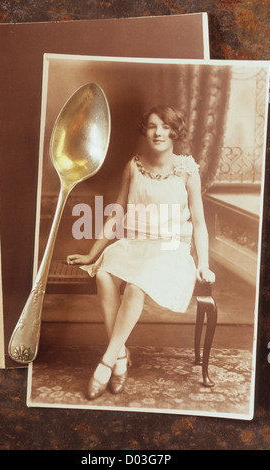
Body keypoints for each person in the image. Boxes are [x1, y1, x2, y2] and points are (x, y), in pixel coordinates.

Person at [67, 104, 215, 400]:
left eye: (165, 126)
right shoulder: (133, 166)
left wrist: (204, 264)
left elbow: (199, 223)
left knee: (136, 286)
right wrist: (93, 254)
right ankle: (120, 354)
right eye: (152, 126)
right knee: (104, 274)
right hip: (135, 244)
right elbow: (117, 213)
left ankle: (107, 362)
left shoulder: (187, 169)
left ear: (176, 131)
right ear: (144, 130)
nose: (158, 132)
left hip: (171, 249)